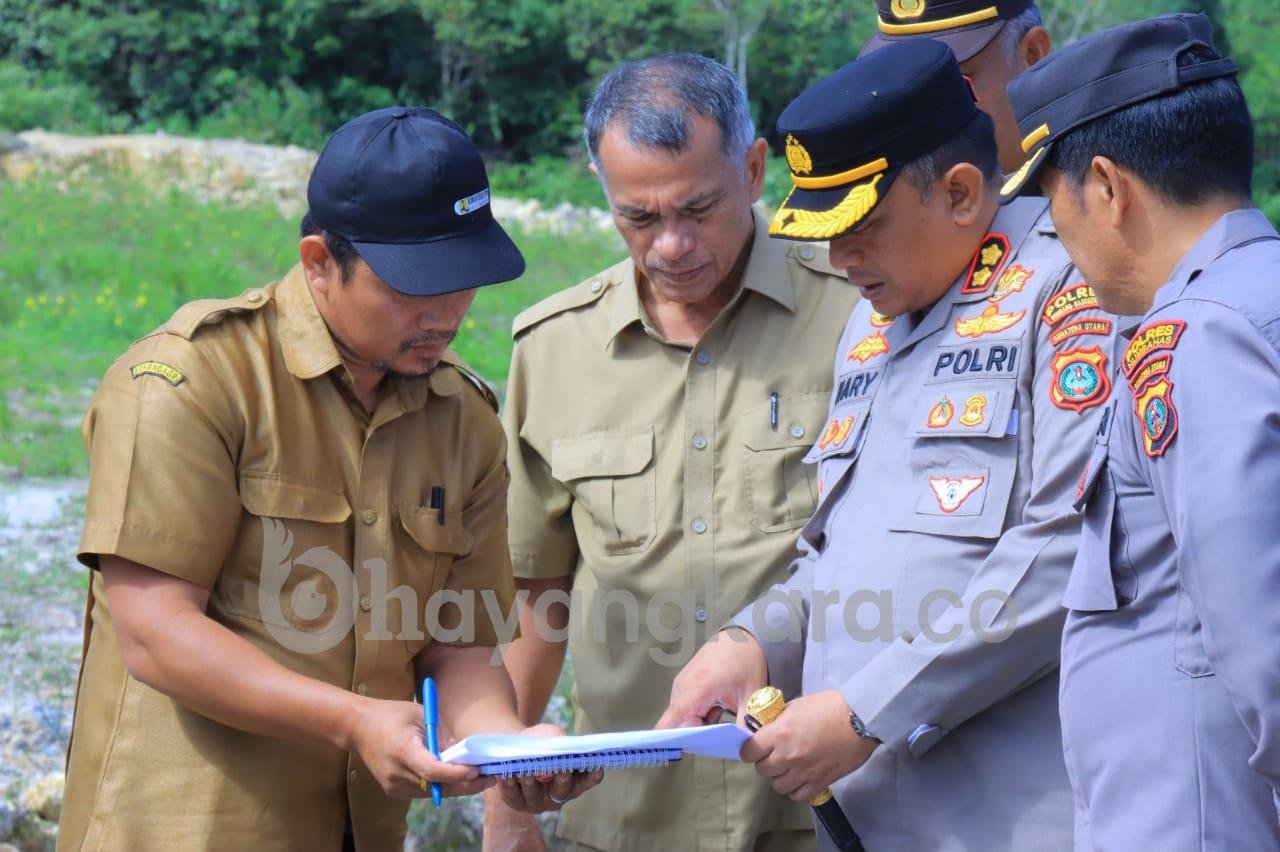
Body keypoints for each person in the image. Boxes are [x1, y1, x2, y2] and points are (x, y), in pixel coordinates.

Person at [58, 106, 598, 852]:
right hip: (185, 827)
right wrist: (353, 720)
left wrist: (511, 751)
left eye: (465, 280)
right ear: (319, 261)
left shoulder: (462, 417)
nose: (446, 314)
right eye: (413, 287)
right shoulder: (191, 382)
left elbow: (460, 647)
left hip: (360, 829)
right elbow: (156, 633)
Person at [660, 39, 1122, 850]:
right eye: (829, 235)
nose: (841, 260)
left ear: (959, 193)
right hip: (868, 819)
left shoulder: (1068, 288)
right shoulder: (871, 329)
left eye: (864, 227)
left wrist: (869, 708)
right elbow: (839, 554)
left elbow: (1068, 551)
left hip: (1012, 817)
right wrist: (751, 641)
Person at [485, 54, 859, 852]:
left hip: (822, 815)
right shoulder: (552, 350)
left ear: (755, 169)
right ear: (601, 186)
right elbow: (535, 597)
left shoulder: (858, 318)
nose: (672, 246)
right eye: (639, 218)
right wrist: (509, 811)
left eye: (698, 207)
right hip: (625, 822)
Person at [1000, 13, 1280, 848]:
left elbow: (1262, 633)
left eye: (1054, 209)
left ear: (1109, 190)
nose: (1060, 241)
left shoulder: (1196, 335)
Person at [862, 0, 1052, 173]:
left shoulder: (1076, 198)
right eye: (903, 91)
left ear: (1033, 55)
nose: (921, 119)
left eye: (953, 82)